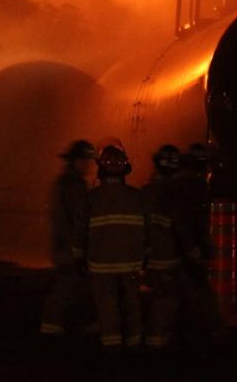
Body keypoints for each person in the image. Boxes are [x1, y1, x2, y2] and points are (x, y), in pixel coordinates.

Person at [85, 142, 146, 351]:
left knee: (107, 305)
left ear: (100, 168)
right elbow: (144, 232)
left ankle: (112, 348)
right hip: (130, 264)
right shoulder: (136, 197)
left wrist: (77, 255)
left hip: (101, 265)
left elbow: (79, 232)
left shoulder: (91, 198)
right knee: (132, 304)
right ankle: (135, 345)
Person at [39, 139, 95, 337]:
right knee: (67, 287)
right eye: (85, 160)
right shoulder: (73, 185)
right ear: (76, 161)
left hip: (65, 247)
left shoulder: (65, 182)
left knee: (73, 287)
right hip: (70, 249)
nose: (89, 165)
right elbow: (80, 217)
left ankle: (58, 326)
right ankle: (52, 327)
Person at [175, 141, 222, 340]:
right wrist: (195, 247)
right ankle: (204, 332)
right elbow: (187, 219)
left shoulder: (184, 183)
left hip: (186, 247)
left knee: (192, 290)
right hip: (190, 248)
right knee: (197, 292)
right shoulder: (194, 186)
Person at [142, 144, 186, 350]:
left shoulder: (147, 192)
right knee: (166, 300)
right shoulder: (172, 193)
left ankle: (155, 339)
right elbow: (177, 225)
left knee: (160, 298)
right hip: (167, 256)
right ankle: (156, 341)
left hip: (152, 256)